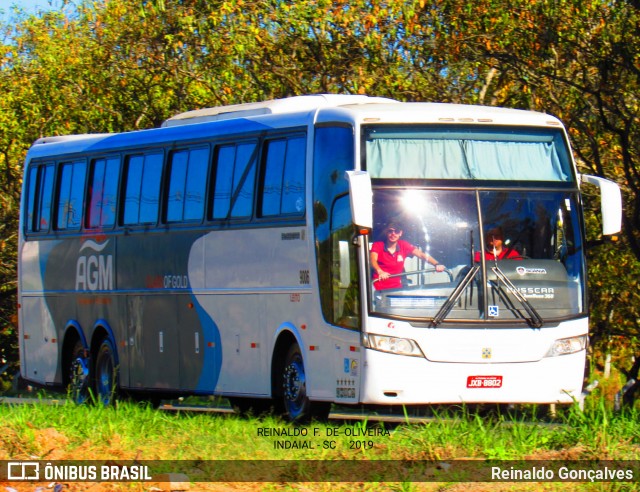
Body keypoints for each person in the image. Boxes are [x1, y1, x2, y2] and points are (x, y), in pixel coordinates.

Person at [370, 222, 445, 291]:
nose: (393, 234)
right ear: (387, 232)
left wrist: (436, 264)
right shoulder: (378, 245)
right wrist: (380, 271)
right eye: (390, 231)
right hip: (378, 287)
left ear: (400, 233)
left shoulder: (403, 245)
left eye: (396, 231)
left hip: (396, 288)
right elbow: (373, 260)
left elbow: (421, 255)